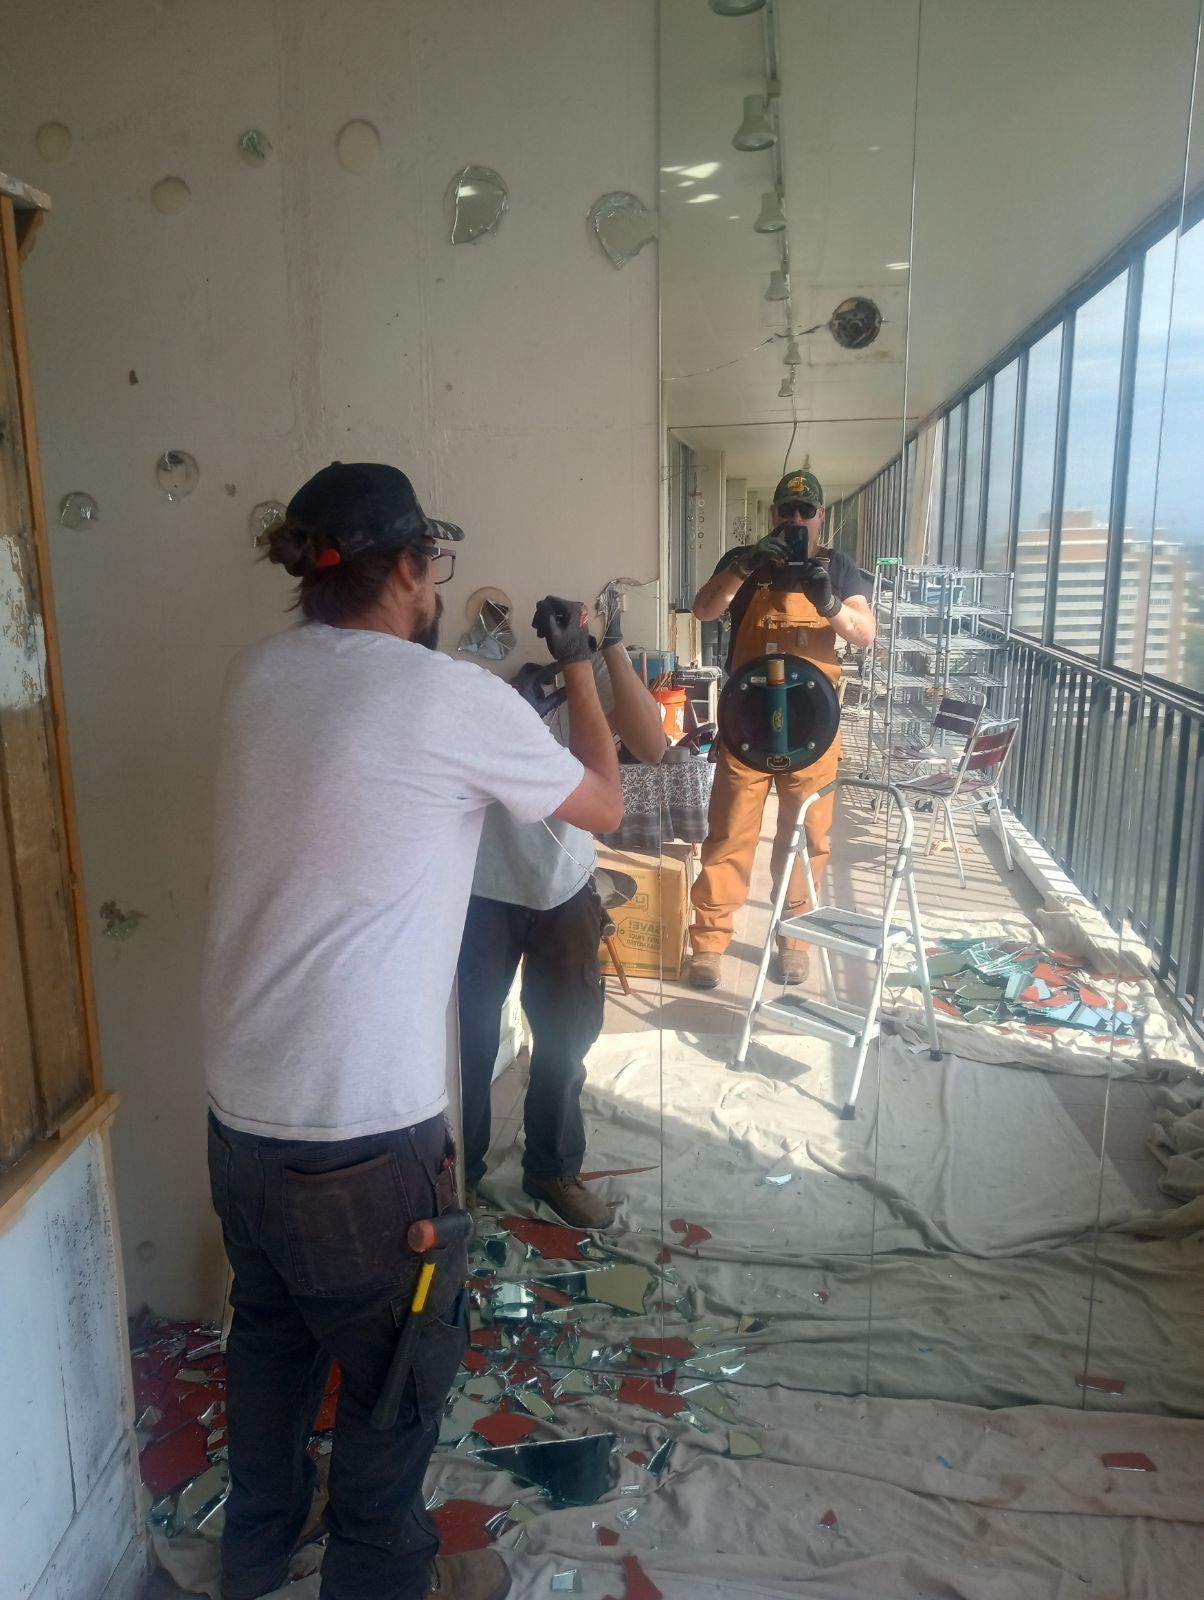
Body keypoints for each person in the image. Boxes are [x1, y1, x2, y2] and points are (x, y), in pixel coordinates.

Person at [201, 461, 622, 1600]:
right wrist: (578, 657)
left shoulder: (256, 674)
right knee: (400, 1380)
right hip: (362, 1139)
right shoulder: (445, 698)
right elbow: (603, 799)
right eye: (430, 562)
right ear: (405, 568)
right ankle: (387, 1572)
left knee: (274, 1346)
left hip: (239, 1121)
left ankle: (254, 1560)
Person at [457, 601, 666, 1230]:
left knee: (565, 1038)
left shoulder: (582, 665)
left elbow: (652, 745)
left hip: (564, 881)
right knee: (464, 1043)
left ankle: (552, 1168)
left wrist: (596, 650)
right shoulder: (457, 668)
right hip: (475, 886)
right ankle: (459, 1180)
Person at [686, 469, 875, 990]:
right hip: (747, 724)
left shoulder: (838, 568)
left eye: (805, 511)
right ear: (773, 514)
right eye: (786, 511)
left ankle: (794, 943)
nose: (795, 520)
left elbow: (865, 634)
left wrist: (829, 602)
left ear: (820, 516)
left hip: (811, 731)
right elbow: (704, 609)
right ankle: (707, 943)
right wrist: (744, 566)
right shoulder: (745, 562)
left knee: (807, 838)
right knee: (727, 834)